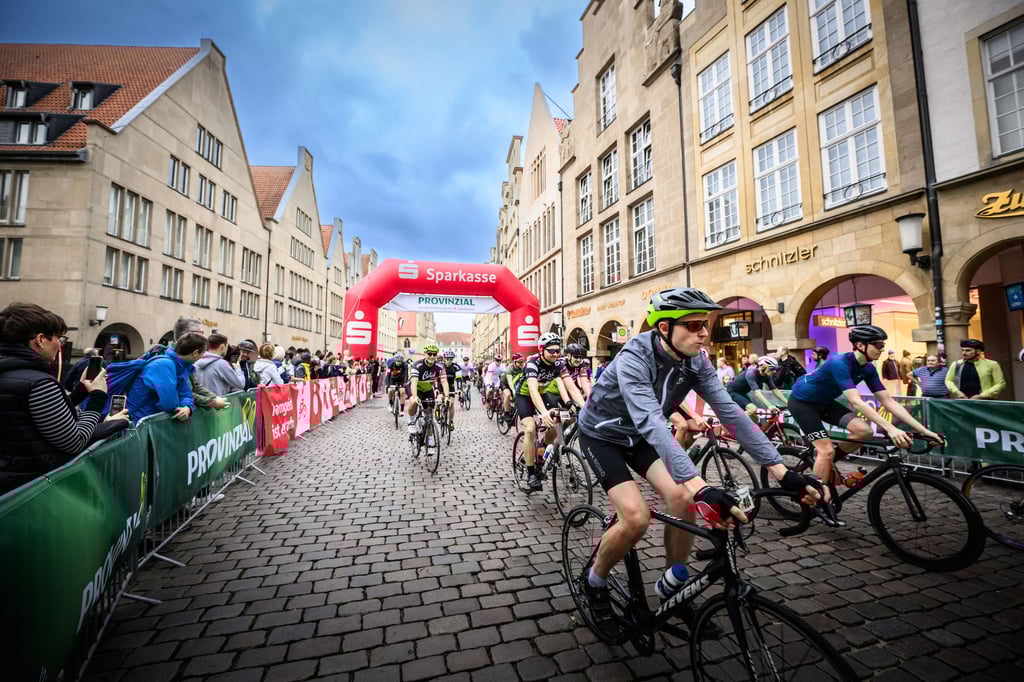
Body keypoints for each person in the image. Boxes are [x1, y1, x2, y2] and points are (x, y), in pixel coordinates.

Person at [576, 288, 820, 636]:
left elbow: (732, 414)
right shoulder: (634, 357)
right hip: (603, 437)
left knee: (683, 500)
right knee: (635, 517)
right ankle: (595, 582)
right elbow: (651, 421)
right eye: (692, 325)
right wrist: (701, 485)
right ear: (664, 329)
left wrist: (782, 471)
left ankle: (674, 587)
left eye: (704, 324)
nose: (703, 333)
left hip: (642, 439)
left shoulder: (697, 361)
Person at [0, 302, 129, 494]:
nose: (60, 345)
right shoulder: (38, 383)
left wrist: (80, 393)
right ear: (41, 340)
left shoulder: (13, 372)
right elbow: (73, 441)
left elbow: (34, 416)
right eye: (59, 338)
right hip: (32, 488)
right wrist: (97, 398)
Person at [788, 325, 942, 486]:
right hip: (802, 403)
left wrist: (924, 430)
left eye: (883, 345)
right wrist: (891, 428)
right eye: (878, 345)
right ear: (861, 346)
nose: (882, 349)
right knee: (825, 450)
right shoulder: (839, 363)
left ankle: (829, 461)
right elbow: (856, 401)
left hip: (825, 403)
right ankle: (814, 498)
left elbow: (888, 401)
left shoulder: (868, 368)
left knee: (864, 432)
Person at [515, 333, 586, 491]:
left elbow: (571, 387)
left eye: (557, 351)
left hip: (543, 393)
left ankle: (542, 449)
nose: (555, 354)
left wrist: (586, 407)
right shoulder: (532, 363)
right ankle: (531, 472)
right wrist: (543, 412)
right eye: (551, 351)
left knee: (558, 421)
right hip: (524, 395)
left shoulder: (559, 365)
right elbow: (533, 390)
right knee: (531, 429)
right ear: (541, 350)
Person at [126, 332, 208, 423]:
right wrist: (183, 404)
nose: (203, 356)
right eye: (203, 352)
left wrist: (187, 408)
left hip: (150, 423)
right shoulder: (164, 365)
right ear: (195, 353)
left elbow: (186, 394)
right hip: (137, 424)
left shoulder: (181, 367)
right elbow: (169, 404)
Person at [407, 344, 447, 439]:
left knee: (429, 416)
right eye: (429, 353)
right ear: (425, 354)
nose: (432, 356)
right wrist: (415, 396)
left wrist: (446, 396)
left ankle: (430, 441)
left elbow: (444, 382)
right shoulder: (417, 365)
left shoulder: (439, 366)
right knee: (413, 401)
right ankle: (411, 421)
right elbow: (413, 383)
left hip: (428, 389)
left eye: (434, 354)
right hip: (415, 387)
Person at [499, 352, 526, 417]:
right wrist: (514, 391)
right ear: (514, 362)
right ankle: (506, 413)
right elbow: (510, 382)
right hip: (505, 383)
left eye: (522, 362)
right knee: (508, 395)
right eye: (519, 362)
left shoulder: (523, 367)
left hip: (516, 383)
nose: (521, 364)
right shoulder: (509, 369)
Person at [439, 350, 461, 430]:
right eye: (447, 359)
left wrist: (459, 389)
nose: (449, 361)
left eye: (451, 359)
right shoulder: (440, 366)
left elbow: (459, 379)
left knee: (451, 404)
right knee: (439, 399)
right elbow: (436, 379)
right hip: (441, 386)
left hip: (451, 386)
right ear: (444, 359)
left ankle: (451, 421)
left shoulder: (456, 367)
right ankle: (438, 410)